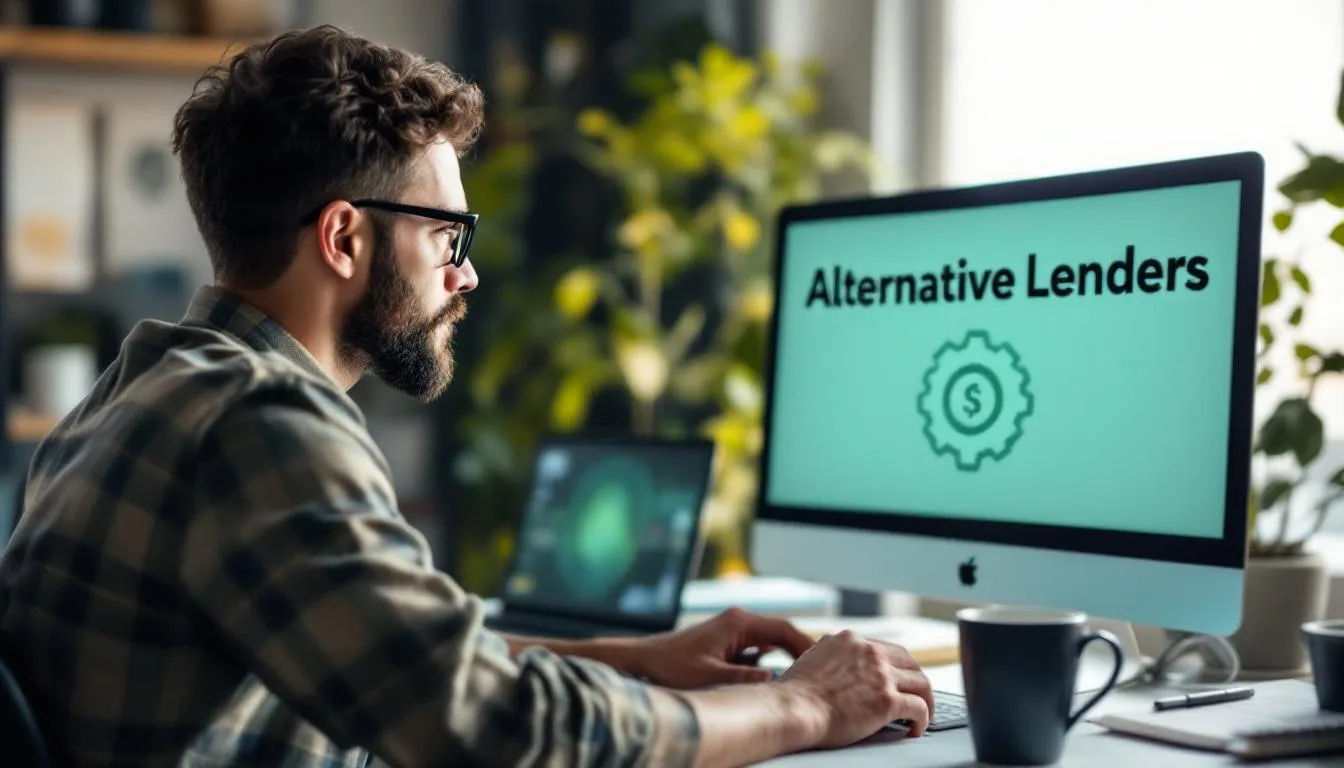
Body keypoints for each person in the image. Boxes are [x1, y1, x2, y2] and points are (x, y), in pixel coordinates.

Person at [0, 25, 933, 768]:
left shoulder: (140, 386)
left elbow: (405, 665)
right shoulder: (259, 423)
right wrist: (804, 703)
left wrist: (641, 660)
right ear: (343, 238)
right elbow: (490, 731)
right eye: (449, 236)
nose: (467, 276)